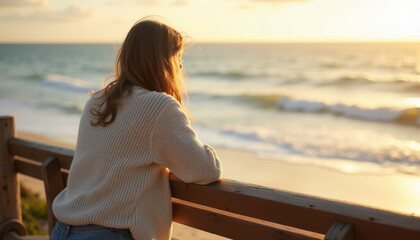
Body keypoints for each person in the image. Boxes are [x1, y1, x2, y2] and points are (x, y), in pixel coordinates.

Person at [50, 18, 222, 240]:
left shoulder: (97, 101)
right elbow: (206, 170)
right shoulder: (159, 107)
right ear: (163, 61)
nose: (180, 66)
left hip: (63, 230)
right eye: (177, 58)